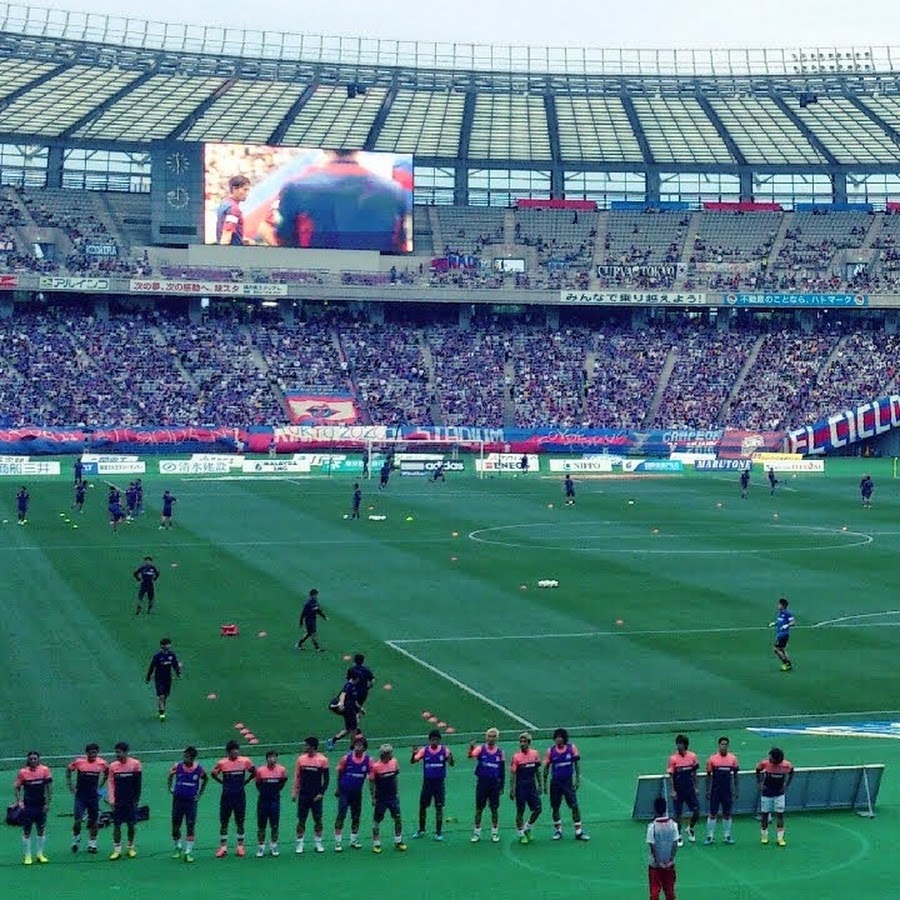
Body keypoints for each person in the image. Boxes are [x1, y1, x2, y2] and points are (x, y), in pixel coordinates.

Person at [271, 150, 409, 252]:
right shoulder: (394, 190)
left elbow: (285, 241)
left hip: (316, 276)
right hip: (374, 279)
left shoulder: (296, 187)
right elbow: (400, 246)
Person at [211, 740, 256, 858]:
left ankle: (240, 847)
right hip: (226, 796)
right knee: (224, 822)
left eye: (237, 749)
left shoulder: (245, 761)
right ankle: (223, 848)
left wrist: (246, 781)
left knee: (240, 821)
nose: (235, 752)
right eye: (233, 750)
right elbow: (213, 774)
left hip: (240, 796)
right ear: (228, 752)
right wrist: (223, 783)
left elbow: (254, 772)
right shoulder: (222, 763)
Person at [543, 727, 588, 841]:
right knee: (555, 807)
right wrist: (544, 784)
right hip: (555, 783)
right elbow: (546, 768)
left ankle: (578, 831)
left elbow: (576, 765)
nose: (558, 739)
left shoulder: (571, 748)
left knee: (574, 806)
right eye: (556, 737)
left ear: (564, 738)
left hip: (567, 783)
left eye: (560, 737)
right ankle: (558, 830)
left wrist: (577, 779)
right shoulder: (551, 751)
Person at [410, 729, 455, 840]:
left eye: (436, 739)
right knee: (423, 807)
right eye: (432, 739)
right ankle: (421, 830)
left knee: (439, 808)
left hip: (439, 784)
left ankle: (439, 833)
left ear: (439, 740)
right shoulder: (424, 750)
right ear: (429, 740)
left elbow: (452, 763)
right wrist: (414, 753)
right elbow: (413, 761)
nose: (434, 741)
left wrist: (450, 758)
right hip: (427, 784)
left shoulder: (445, 750)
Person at [167, 746, 208, 863]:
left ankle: (188, 852)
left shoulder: (199, 769)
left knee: (190, 825)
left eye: (187, 757)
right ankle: (178, 847)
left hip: (191, 802)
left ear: (193, 758)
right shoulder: (178, 766)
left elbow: (206, 779)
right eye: (184, 756)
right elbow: (170, 776)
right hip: (178, 801)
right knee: (175, 825)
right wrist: (170, 787)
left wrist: (199, 794)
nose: (184, 759)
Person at [66, 742, 108, 855]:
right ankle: (75, 840)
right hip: (80, 796)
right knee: (78, 820)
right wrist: (70, 785)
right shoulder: (79, 762)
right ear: (87, 753)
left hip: (93, 796)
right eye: (91, 752)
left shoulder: (102, 763)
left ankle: (92, 844)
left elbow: (107, 773)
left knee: (94, 820)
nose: (93, 754)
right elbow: (69, 770)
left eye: (95, 752)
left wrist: (100, 786)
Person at [292, 737, 330, 854]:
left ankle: (318, 843)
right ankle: (300, 844)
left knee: (318, 820)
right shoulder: (301, 760)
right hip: (304, 795)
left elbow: (327, 779)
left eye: (306, 745)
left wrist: (321, 793)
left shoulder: (322, 760)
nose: (305, 747)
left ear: (313, 747)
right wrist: (295, 792)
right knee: (301, 820)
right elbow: (297, 776)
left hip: (316, 796)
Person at [334, 734, 371, 852]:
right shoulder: (346, 758)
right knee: (341, 815)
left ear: (364, 748)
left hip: (357, 793)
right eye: (356, 744)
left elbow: (371, 777)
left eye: (360, 745)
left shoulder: (368, 760)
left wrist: (373, 794)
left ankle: (353, 840)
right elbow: (340, 773)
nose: (357, 747)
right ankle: (338, 842)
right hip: (345, 792)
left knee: (356, 816)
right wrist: (338, 788)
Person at [14, 750, 52, 865]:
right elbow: (16, 787)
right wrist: (19, 801)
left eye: (35, 758)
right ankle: (28, 855)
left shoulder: (44, 770)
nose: (33, 761)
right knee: (27, 831)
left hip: (40, 805)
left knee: (41, 830)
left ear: (38, 759)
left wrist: (47, 803)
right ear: (28, 760)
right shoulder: (23, 772)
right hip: (28, 806)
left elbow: (49, 788)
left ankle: (40, 854)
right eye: (31, 759)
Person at [468, 727, 505, 843]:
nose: (491, 739)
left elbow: (502, 771)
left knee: (494, 809)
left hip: (494, 785)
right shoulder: (481, 749)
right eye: (489, 736)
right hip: (482, 783)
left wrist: (502, 786)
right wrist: (471, 748)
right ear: (486, 737)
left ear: (497, 738)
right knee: (479, 809)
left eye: (494, 736)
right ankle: (477, 833)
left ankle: (494, 833)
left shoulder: (500, 752)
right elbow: (471, 755)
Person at [108, 742, 142, 860]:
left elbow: (138, 784)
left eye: (119, 752)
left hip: (130, 800)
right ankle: (117, 850)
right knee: (116, 825)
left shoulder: (135, 764)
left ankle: (130, 848)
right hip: (118, 800)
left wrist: (136, 800)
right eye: (116, 752)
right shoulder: (113, 766)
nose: (117, 754)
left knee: (131, 825)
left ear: (126, 752)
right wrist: (112, 800)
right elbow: (111, 784)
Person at [369, 744, 406, 853]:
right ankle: (376, 844)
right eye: (388, 753)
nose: (390, 754)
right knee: (377, 821)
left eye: (390, 752)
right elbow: (371, 783)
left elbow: (395, 778)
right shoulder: (375, 767)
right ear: (383, 754)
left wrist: (397, 793)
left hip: (392, 797)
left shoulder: (394, 762)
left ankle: (398, 841)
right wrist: (373, 797)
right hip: (381, 798)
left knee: (397, 818)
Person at [756, 747, 794, 847]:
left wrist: (786, 785)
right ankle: (764, 836)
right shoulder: (765, 763)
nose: (770, 758)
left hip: (779, 794)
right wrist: (760, 783)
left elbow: (791, 772)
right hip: (767, 793)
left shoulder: (786, 765)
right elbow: (758, 770)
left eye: (772, 757)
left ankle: (780, 838)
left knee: (780, 815)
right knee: (764, 815)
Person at [705, 736, 739, 845]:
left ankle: (727, 836)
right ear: (719, 745)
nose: (724, 746)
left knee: (727, 814)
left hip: (727, 791)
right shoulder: (712, 759)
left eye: (726, 744)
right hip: (715, 790)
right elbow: (709, 776)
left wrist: (736, 789)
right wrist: (708, 790)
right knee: (712, 814)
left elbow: (736, 776)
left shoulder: (733, 759)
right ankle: (710, 836)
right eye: (722, 744)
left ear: (728, 745)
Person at [510, 731, 543, 844]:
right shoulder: (516, 757)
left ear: (529, 743)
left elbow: (537, 771)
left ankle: (527, 827)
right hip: (521, 787)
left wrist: (540, 785)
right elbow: (513, 774)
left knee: (538, 809)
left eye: (524, 742)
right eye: (521, 741)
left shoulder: (535, 754)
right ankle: (521, 834)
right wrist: (512, 789)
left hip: (531, 787)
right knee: (520, 811)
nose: (522, 744)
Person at [666, 734, 699, 846]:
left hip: (689, 789)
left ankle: (690, 828)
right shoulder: (673, 759)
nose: (678, 746)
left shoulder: (692, 757)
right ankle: (678, 835)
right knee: (678, 814)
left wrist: (696, 786)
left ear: (685, 745)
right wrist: (673, 790)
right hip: (679, 790)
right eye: (677, 743)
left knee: (696, 811)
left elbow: (694, 773)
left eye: (680, 744)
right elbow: (671, 776)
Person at [255, 750, 288, 857]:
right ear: (266, 758)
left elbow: (282, 782)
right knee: (261, 826)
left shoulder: (281, 770)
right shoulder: (260, 770)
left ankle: (274, 846)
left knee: (274, 825)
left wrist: (275, 792)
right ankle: (261, 847)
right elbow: (258, 784)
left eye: (274, 757)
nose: (272, 759)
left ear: (277, 758)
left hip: (275, 801)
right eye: (270, 757)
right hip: (263, 801)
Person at [647, 796, 679, 900]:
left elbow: (652, 845)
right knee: (670, 891)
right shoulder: (673, 825)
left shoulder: (652, 827)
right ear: (665, 809)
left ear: (655, 809)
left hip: (655, 865)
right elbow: (675, 843)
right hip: (669, 864)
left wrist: (658, 862)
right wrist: (670, 860)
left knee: (654, 891)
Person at [326, 669, 364, 751]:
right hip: (347, 709)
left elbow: (354, 700)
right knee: (353, 729)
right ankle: (352, 749)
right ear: (356, 678)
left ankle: (332, 741)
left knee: (349, 729)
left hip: (350, 709)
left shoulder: (354, 687)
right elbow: (343, 694)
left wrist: (360, 708)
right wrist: (341, 704)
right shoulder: (348, 686)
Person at [145, 638, 182, 721]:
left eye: (169, 644)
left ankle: (161, 710)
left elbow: (175, 664)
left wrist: (178, 673)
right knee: (161, 696)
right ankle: (162, 715)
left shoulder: (171, 655)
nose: (168, 645)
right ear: (162, 646)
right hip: (159, 678)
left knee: (165, 696)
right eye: (166, 644)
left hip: (168, 678)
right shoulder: (157, 656)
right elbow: (151, 667)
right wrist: (148, 678)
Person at [217, 175, 251, 246]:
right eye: (245, 190)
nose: (247, 194)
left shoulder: (224, 203)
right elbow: (227, 232)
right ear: (235, 189)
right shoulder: (234, 209)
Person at [769, 597, 795, 672]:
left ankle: (785, 663)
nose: (777, 605)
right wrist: (774, 623)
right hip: (780, 634)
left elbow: (793, 622)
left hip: (783, 635)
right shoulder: (780, 613)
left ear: (782, 605)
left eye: (779, 604)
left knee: (776, 649)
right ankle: (788, 664)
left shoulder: (787, 613)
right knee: (782, 649)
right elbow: (780, 621)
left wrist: (787, 625)